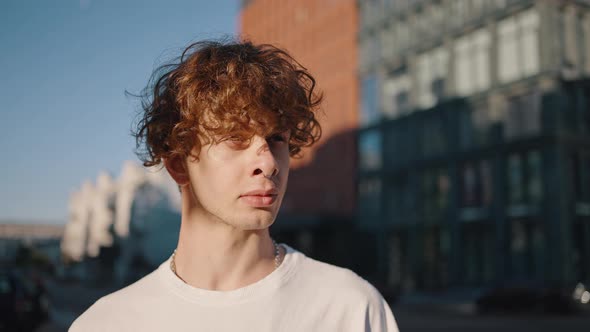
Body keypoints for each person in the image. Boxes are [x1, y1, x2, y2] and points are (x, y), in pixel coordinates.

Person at [70, 39, 399, 332]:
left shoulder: (351, 309)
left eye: (276, 139)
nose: (268, 162)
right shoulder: (106, 323)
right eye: (235, 138)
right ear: (178, 164)